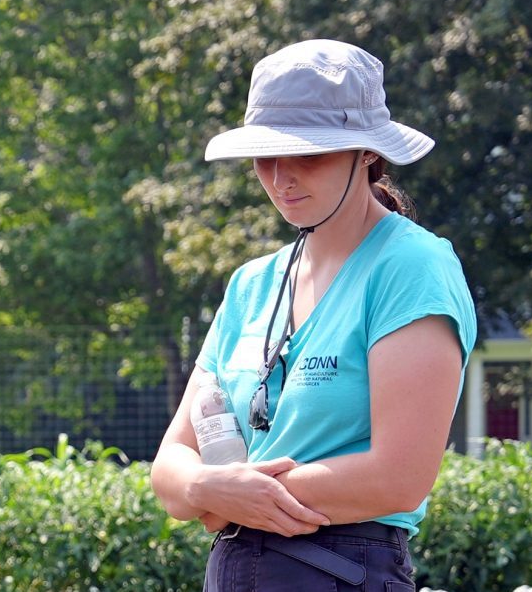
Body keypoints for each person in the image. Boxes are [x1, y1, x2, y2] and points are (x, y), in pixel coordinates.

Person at [148, 40, 477, 591]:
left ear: (368, 152)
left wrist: (235, 496)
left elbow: (400, 478)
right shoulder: (252, 284)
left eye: (308, 152)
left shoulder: (411, 267)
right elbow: (170, 466)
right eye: (265, 156)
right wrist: (209, 490)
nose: (282, 177)